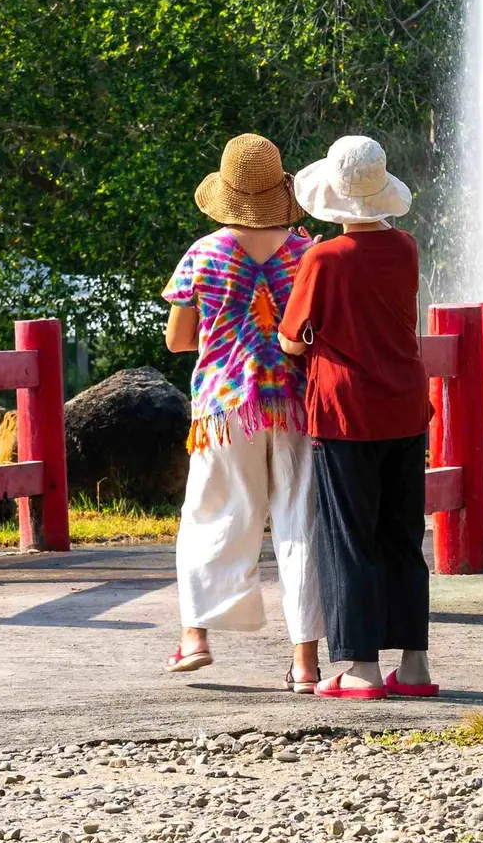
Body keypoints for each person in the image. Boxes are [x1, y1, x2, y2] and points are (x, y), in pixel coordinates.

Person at [161, 133, 324, 692]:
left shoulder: (204, 254)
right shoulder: (307, 255)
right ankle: (305, 661)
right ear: (279, 190)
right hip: (298, 405)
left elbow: (179, 340)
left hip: (226, 406)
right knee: (302, 522)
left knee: (215, 515)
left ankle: (196, 637)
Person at [278, 135, 438, 701]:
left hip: (346, 410)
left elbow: (291, 341)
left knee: (350, 537)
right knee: (401, 534)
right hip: (405, 403)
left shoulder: (322, 258)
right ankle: (414, 664)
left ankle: (361, 667)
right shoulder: (408, 249)